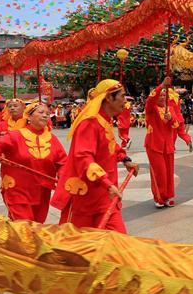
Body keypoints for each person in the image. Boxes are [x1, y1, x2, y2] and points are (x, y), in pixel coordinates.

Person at [50, 79, 137, 233]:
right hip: (85, 197)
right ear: (109, 98)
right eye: (122, 96)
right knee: (77, 246)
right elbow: (83, 157)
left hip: (105, 196)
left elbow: (110, 145)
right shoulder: (89, 123)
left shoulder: (105, 121)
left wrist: (125, 159)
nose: (126, 101)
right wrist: (107, 183)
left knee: (118, 241)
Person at [0, 103, 66, 223]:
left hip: (42, 191)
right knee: (25, 225)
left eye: (47, 113)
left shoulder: (53, 139)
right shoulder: (15, 136)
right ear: (28, 117)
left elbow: (63, 162)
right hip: (17, 189)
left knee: (37, 225)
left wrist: (63, 179)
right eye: (41, 113)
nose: (45, 116)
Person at [145, 78, 178, 208]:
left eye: (164, 95)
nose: (162, 97)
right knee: (159, 172)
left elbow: (175, 124)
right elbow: (150, 100)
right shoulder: (151, 109)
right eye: (160, 95)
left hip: (168, 145)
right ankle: (159, 197)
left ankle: (168, 196)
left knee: (169, 172)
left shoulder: (170, 109)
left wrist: (171, 119)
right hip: (154, 144)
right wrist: (162, 85)